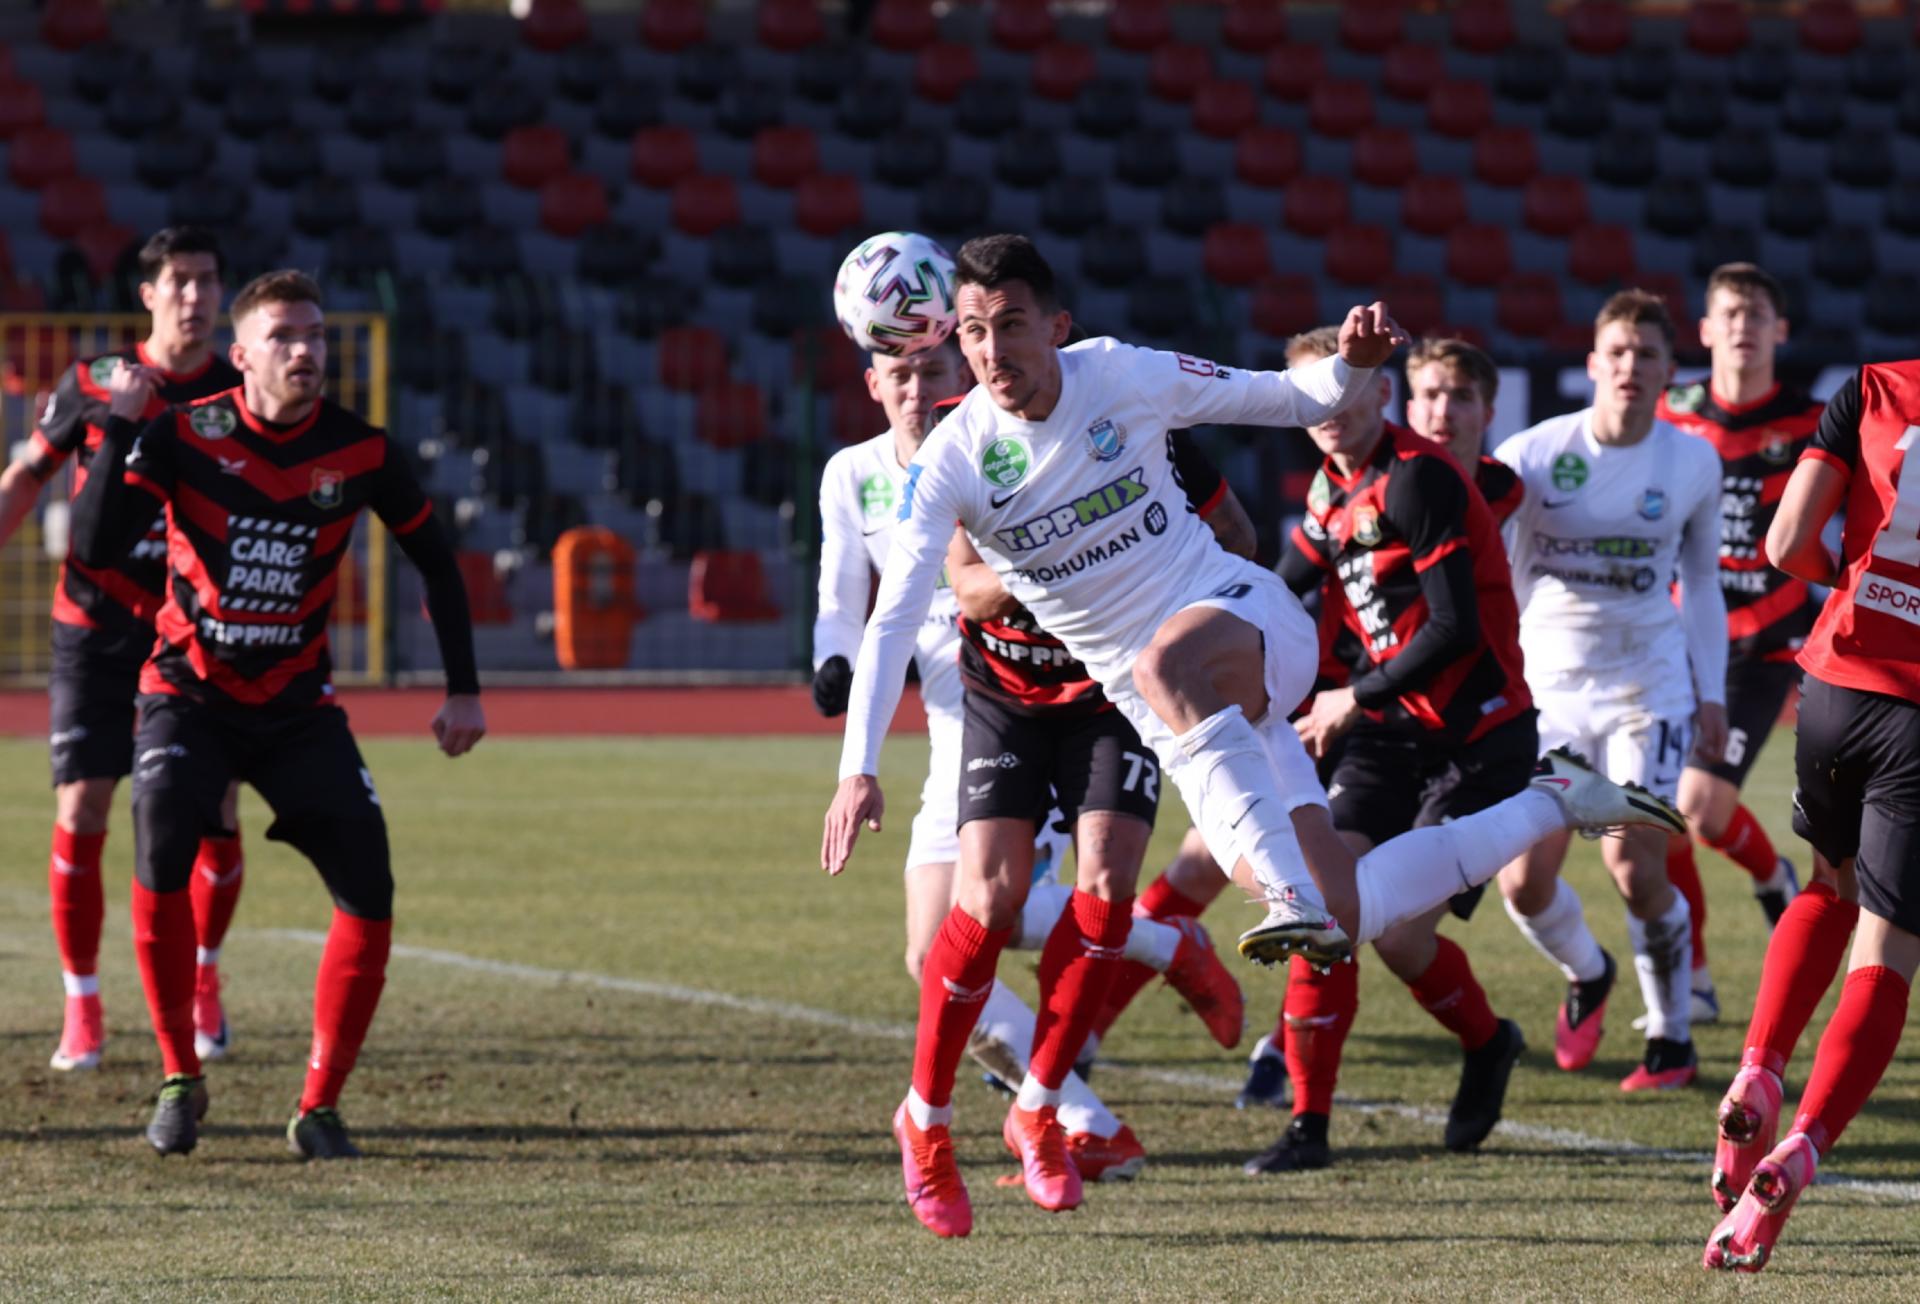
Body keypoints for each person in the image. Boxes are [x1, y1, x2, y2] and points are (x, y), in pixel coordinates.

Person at [820, 234, 1687, 1237]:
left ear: (1055, 325)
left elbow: (1286, 395)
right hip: (1183, 719)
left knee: (1170, 681)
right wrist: (859, 767)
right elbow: (894, 617)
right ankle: (1556, 796)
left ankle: (1278, 897)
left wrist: (1354, 366)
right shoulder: (955, 460)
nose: (991, 350)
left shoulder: (1119, 375)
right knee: (1348, 912)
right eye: (972, 331)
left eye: (1011, 323)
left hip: (1241, 619)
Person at [69, 270, 486, 1160]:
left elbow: (437, 563)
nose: (306, 351)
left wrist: (463, 687)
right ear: (243, 354)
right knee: (158, 848)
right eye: (286, 337)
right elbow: (97, 545)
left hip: (298, 706)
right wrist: (119, 434)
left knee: (370, 892)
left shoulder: (361, 451)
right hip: (187, 692)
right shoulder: (187, 432)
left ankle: (319, 1106)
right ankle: (181, 1076)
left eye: (317, 336)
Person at [812, 343, 1145, 1183]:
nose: (920, 392)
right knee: (941, 947)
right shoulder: (857, 473)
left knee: (1004, 913)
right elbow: (863, 601)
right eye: (902, 376)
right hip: (964, 724)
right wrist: (836, 671)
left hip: (1053, 709)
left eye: (935, 374)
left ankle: (1070, 1108)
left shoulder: (1054, 433)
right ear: (873, 385)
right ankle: (1079, 1110)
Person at [1245, 325, 1532, 1174]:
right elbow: (1274, 589)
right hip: (1386, 735)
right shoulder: (1330, 490)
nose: (1327, 406)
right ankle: (1309, 1124)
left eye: (1344, 386)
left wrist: (1347, 696)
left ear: (1381, 393)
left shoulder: (1419, 480)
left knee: (1395, 931)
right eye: (1311, 394)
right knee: (1328, 903)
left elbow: (1454, 629)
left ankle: (1488, 1042)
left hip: (1478, 738)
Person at [0, 227, 249, 1072]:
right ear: (147, 294)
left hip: (190, 640)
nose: (194, 295)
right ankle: (82, 1008)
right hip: (93, 628)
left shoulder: (239, 393)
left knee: (214, 817)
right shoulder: (93, 382)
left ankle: (206, 981)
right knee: (83, 811)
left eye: (208, 280)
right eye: (178, 280)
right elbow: (29, 476)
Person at [1705, 361, 1920, 1272]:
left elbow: (1786, 541)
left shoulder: (1877, 387)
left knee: (1827, 884)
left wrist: (1866, 582)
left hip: (1832, 687)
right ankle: (1803, 1147)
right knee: (1888, 946)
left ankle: (1757, 1068)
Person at [1494, 290, 1728, 1092]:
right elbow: (1491, 567)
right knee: (1522, 880)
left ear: (1670, 370)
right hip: (1548, 698)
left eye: (1648, 355)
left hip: (1646, 691)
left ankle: (1671, 1036)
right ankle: (1588, 972)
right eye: (1617, 352)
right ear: (1592, 364)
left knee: (1636, 864)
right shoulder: (1531, 453)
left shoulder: (1693, 461)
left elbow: (1700, 583)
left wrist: (1713, 691)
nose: (1631, 367)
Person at [1657, 265, 1814, 1010]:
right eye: (1729, 312)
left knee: (1699, 809)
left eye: (1757, 312)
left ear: (1779, 330)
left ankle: (1772, 877)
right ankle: (1693, 978)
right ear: (1706, 330)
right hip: (1677, 641)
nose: (1744, 325)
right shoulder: (1669, 412)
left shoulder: (1817, 423)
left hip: (1763, 647)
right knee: (1668, 812)